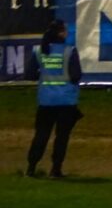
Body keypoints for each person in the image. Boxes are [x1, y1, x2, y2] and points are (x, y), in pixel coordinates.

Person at [23, 19, 83, 178]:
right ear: (61, 33)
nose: (67, 33)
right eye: (65, 30)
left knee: (41, 135)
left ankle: (31, 168)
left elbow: (29, 75)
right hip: (66, 102)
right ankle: (55, 169)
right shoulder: (70, 51)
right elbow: (76, 75)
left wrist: (44, 75)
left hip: (45, 101)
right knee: (61, 137)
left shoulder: (39, 51)